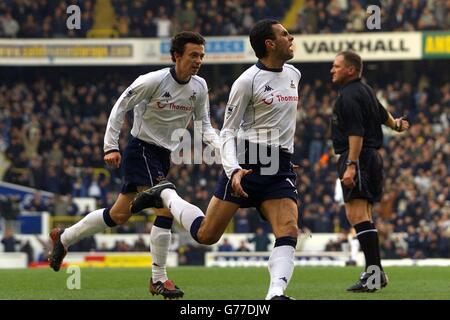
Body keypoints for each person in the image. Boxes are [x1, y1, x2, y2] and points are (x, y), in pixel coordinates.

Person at [131, 19, 301, 300]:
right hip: (247, 160)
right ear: (270, 44)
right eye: (285, 34)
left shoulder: (294, 74)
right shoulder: (247, 81)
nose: (291, 37)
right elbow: (229, 132)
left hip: (279, 164)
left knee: (289, 228)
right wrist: (233, 169)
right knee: (207, 235)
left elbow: (283, 122)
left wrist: (281, 152)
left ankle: (275, 295)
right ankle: (168, 197)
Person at [48, 31, 220, 299]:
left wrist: (224, 153)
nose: (198, 60)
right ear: (176, 56)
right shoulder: (152, 81)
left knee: (118, 215)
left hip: (163, 156)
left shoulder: (199, 87)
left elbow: (204, 126)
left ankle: (64, 238)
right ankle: (158, 279)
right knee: (165, 208)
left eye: (201, 56)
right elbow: (120, 107)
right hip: (140, 150)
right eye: (193, 55)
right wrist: (110, 146)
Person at [330, 51, 409, 292]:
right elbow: (380, 110)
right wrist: (394, 124)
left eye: (336, 66)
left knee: (357, 215)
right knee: (363, 214)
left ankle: (375, 275)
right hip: (371, 157)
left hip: (359, 157)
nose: (332, 70)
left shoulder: (349, 96)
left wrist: (351, 164)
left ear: (350, 70)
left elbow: (356, 133)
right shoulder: (365, 90)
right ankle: (375, 274)